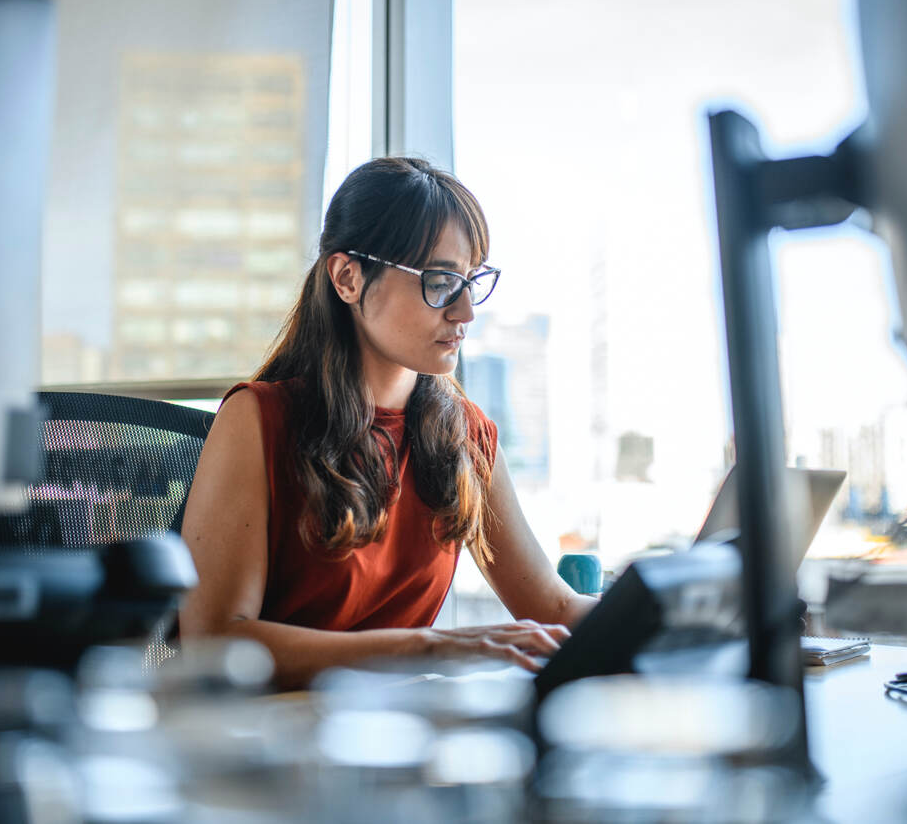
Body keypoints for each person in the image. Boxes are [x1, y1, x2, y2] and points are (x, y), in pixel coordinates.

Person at [179, 157, 597, 689]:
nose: (466, 311)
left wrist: (681, 610)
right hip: (269, 745)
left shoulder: (465, 435)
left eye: (472, 281)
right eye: (442, 281)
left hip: (390, 742)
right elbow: (214, 639)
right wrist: (429, 647)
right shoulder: (258, 419)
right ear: (348, 278)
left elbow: (554, 607)